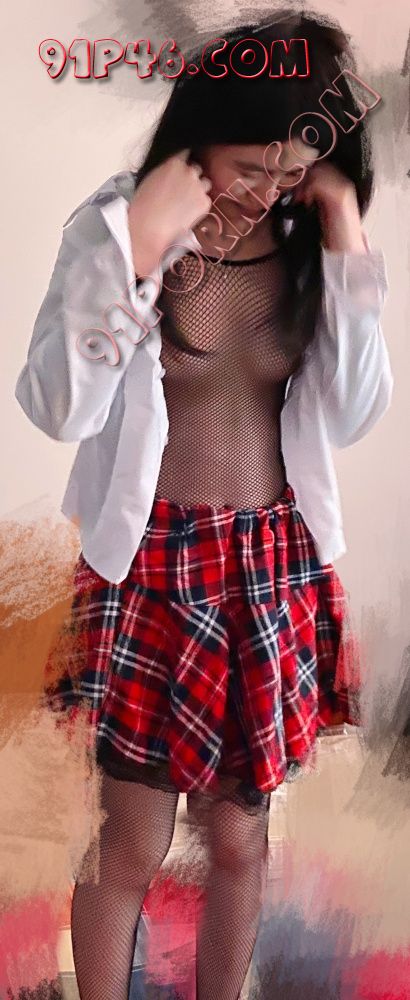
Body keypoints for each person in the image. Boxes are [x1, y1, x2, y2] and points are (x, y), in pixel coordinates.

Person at [14, 9, 393, 1000]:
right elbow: (58, 405)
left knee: (237, 835)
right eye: (250, 165)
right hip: (151, 565)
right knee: (132, 838)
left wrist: (345, 233)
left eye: (291, 170)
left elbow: (355, 409)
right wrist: (138, 249)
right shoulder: (115, 226)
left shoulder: (310, 244)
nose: (268, 188)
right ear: (199, 134)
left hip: (270, 565)